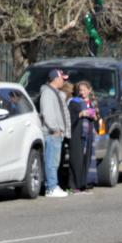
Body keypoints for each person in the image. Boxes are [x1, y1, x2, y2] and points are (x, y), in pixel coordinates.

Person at [38, 69, 70, 198]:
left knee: (54, 161)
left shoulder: (54, 93)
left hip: (56, 133)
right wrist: (55, 129)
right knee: (51, 161)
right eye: (62, 78)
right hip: (52, 133)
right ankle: (51, 187)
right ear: (55, 79)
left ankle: (53, 185)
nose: (64, 81)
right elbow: (47, 112)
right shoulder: (47, 93)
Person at [67, 80, 98, 194]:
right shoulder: (74, 102)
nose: (83, 92)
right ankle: (73, 186)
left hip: (89, 134)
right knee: (76, 159)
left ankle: (83, 184)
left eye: (85, 90)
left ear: (89, 90)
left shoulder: (92, 103)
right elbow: (71, 117)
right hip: (77, 134)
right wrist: (82, 114)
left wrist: (94, 115)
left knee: (86, 159)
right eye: (81, 90)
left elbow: (97, 118)